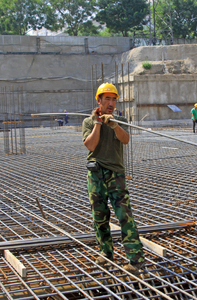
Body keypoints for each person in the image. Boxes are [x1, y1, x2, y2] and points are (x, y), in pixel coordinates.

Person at [82, 83, 145, 273]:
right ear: (99, 101)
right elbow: (91, 145)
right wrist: (98, 123)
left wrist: (115, 124)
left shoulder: (121, 120)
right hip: (96, 174)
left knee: (124, 216)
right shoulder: (88, 122)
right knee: (99, 217)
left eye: (113, 99)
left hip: (115, 175)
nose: (111, 103)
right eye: (107, 99)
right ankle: (106, 253)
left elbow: (125, 139)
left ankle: (136, 260)